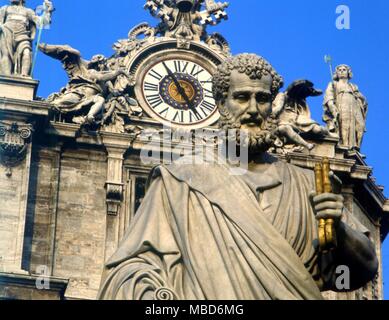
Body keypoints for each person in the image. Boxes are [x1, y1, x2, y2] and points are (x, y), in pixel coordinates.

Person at [98, 54, 378, 300]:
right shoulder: (179, 180)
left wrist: (339, 229)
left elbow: (361, 271)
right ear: (221, 104)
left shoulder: (306, 184)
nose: (253, 110)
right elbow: (129, 268)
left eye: (263, 99)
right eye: (242, 97)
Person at [323, 65, 368, 150]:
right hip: (342, 104)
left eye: (344, 70)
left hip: (355, 107)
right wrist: (332, 108)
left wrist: (361, 97)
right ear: (336, 73)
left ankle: (356, 147)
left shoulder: (353, 86)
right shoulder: (333, 84)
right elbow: (328, 97)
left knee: (360, 126)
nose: (342, 71)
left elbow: (364, 101)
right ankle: (345, 147)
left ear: (348, 72)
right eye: (339, 70)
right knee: (344, 125)